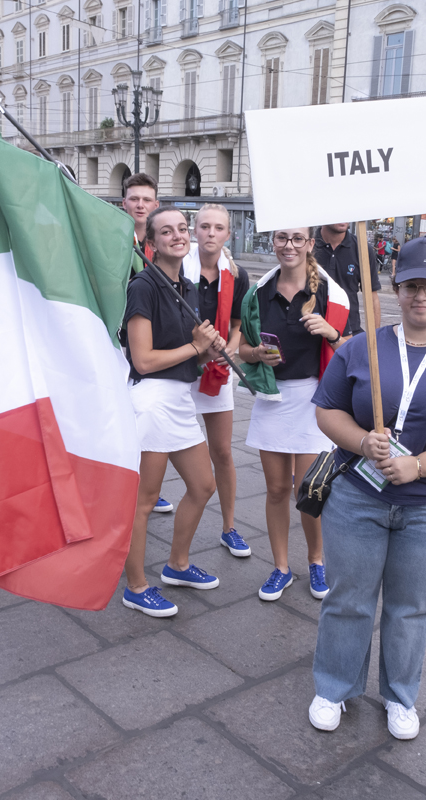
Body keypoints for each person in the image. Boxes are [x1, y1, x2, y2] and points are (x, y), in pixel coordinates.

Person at [307, 235, 426, 740]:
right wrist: (359, 440)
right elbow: (326, 409)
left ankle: (400, 696)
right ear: (396, 290)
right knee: (348, 597)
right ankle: (334, 687)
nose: (422, 296)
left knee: (411, 605)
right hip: (358, 497)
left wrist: (419, 466)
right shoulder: (361, 347)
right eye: (412, 285)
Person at [121, 207, 225, 617]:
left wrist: (206, 354)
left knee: (202, 486)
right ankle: (135, 586)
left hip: (180, 398)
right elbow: (143, 359)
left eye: (183, 229)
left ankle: (177, 565)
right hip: (151, 400)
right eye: (167, 231)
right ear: (152, 240)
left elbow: (186, 356)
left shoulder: (188, 284)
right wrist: (196, 348)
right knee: (143, 501)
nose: (178, 236)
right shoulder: (143, 286)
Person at [240, 226, 349, 603]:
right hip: (272, 400)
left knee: (310, 491)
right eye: (282, 238)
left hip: (313, 400)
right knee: (275, 490)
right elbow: (242, 347)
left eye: (297, 239)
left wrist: (332, 333)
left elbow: (356, 348)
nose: (289, 245)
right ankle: (281, 567)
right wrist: (257, 355)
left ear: (309, 244)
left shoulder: (330, 295)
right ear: (273, 242)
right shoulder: (258, 293)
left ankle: (316, 561)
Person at [182, 204, 252, 558]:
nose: (211, 233)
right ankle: (145, 509)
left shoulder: (236, 274)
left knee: (222, 451)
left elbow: (237, 325)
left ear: (228, 233)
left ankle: (229, 527)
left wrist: (232, 348)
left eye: (218, 228)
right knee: (161, 450)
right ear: (195, 230)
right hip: (178, 367)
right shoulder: (179, 265)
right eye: (204, 226)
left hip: (216, 370)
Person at [121, 172, 175, 514]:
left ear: (155, 205)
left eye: (146, 200)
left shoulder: (160, 243)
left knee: (151, 424)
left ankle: (147, 488)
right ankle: (129, 486)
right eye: (134, 199)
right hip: (118, 342)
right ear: (123, 203)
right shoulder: (113, 239)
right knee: (124, 418)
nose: (140, 205)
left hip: (152, 342)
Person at [314, 222, 381, 335]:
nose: (344, 218)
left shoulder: (362, 249)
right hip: (312, 331)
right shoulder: (307, 246)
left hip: (349, 333)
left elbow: (372, 298)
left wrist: (374, 339)